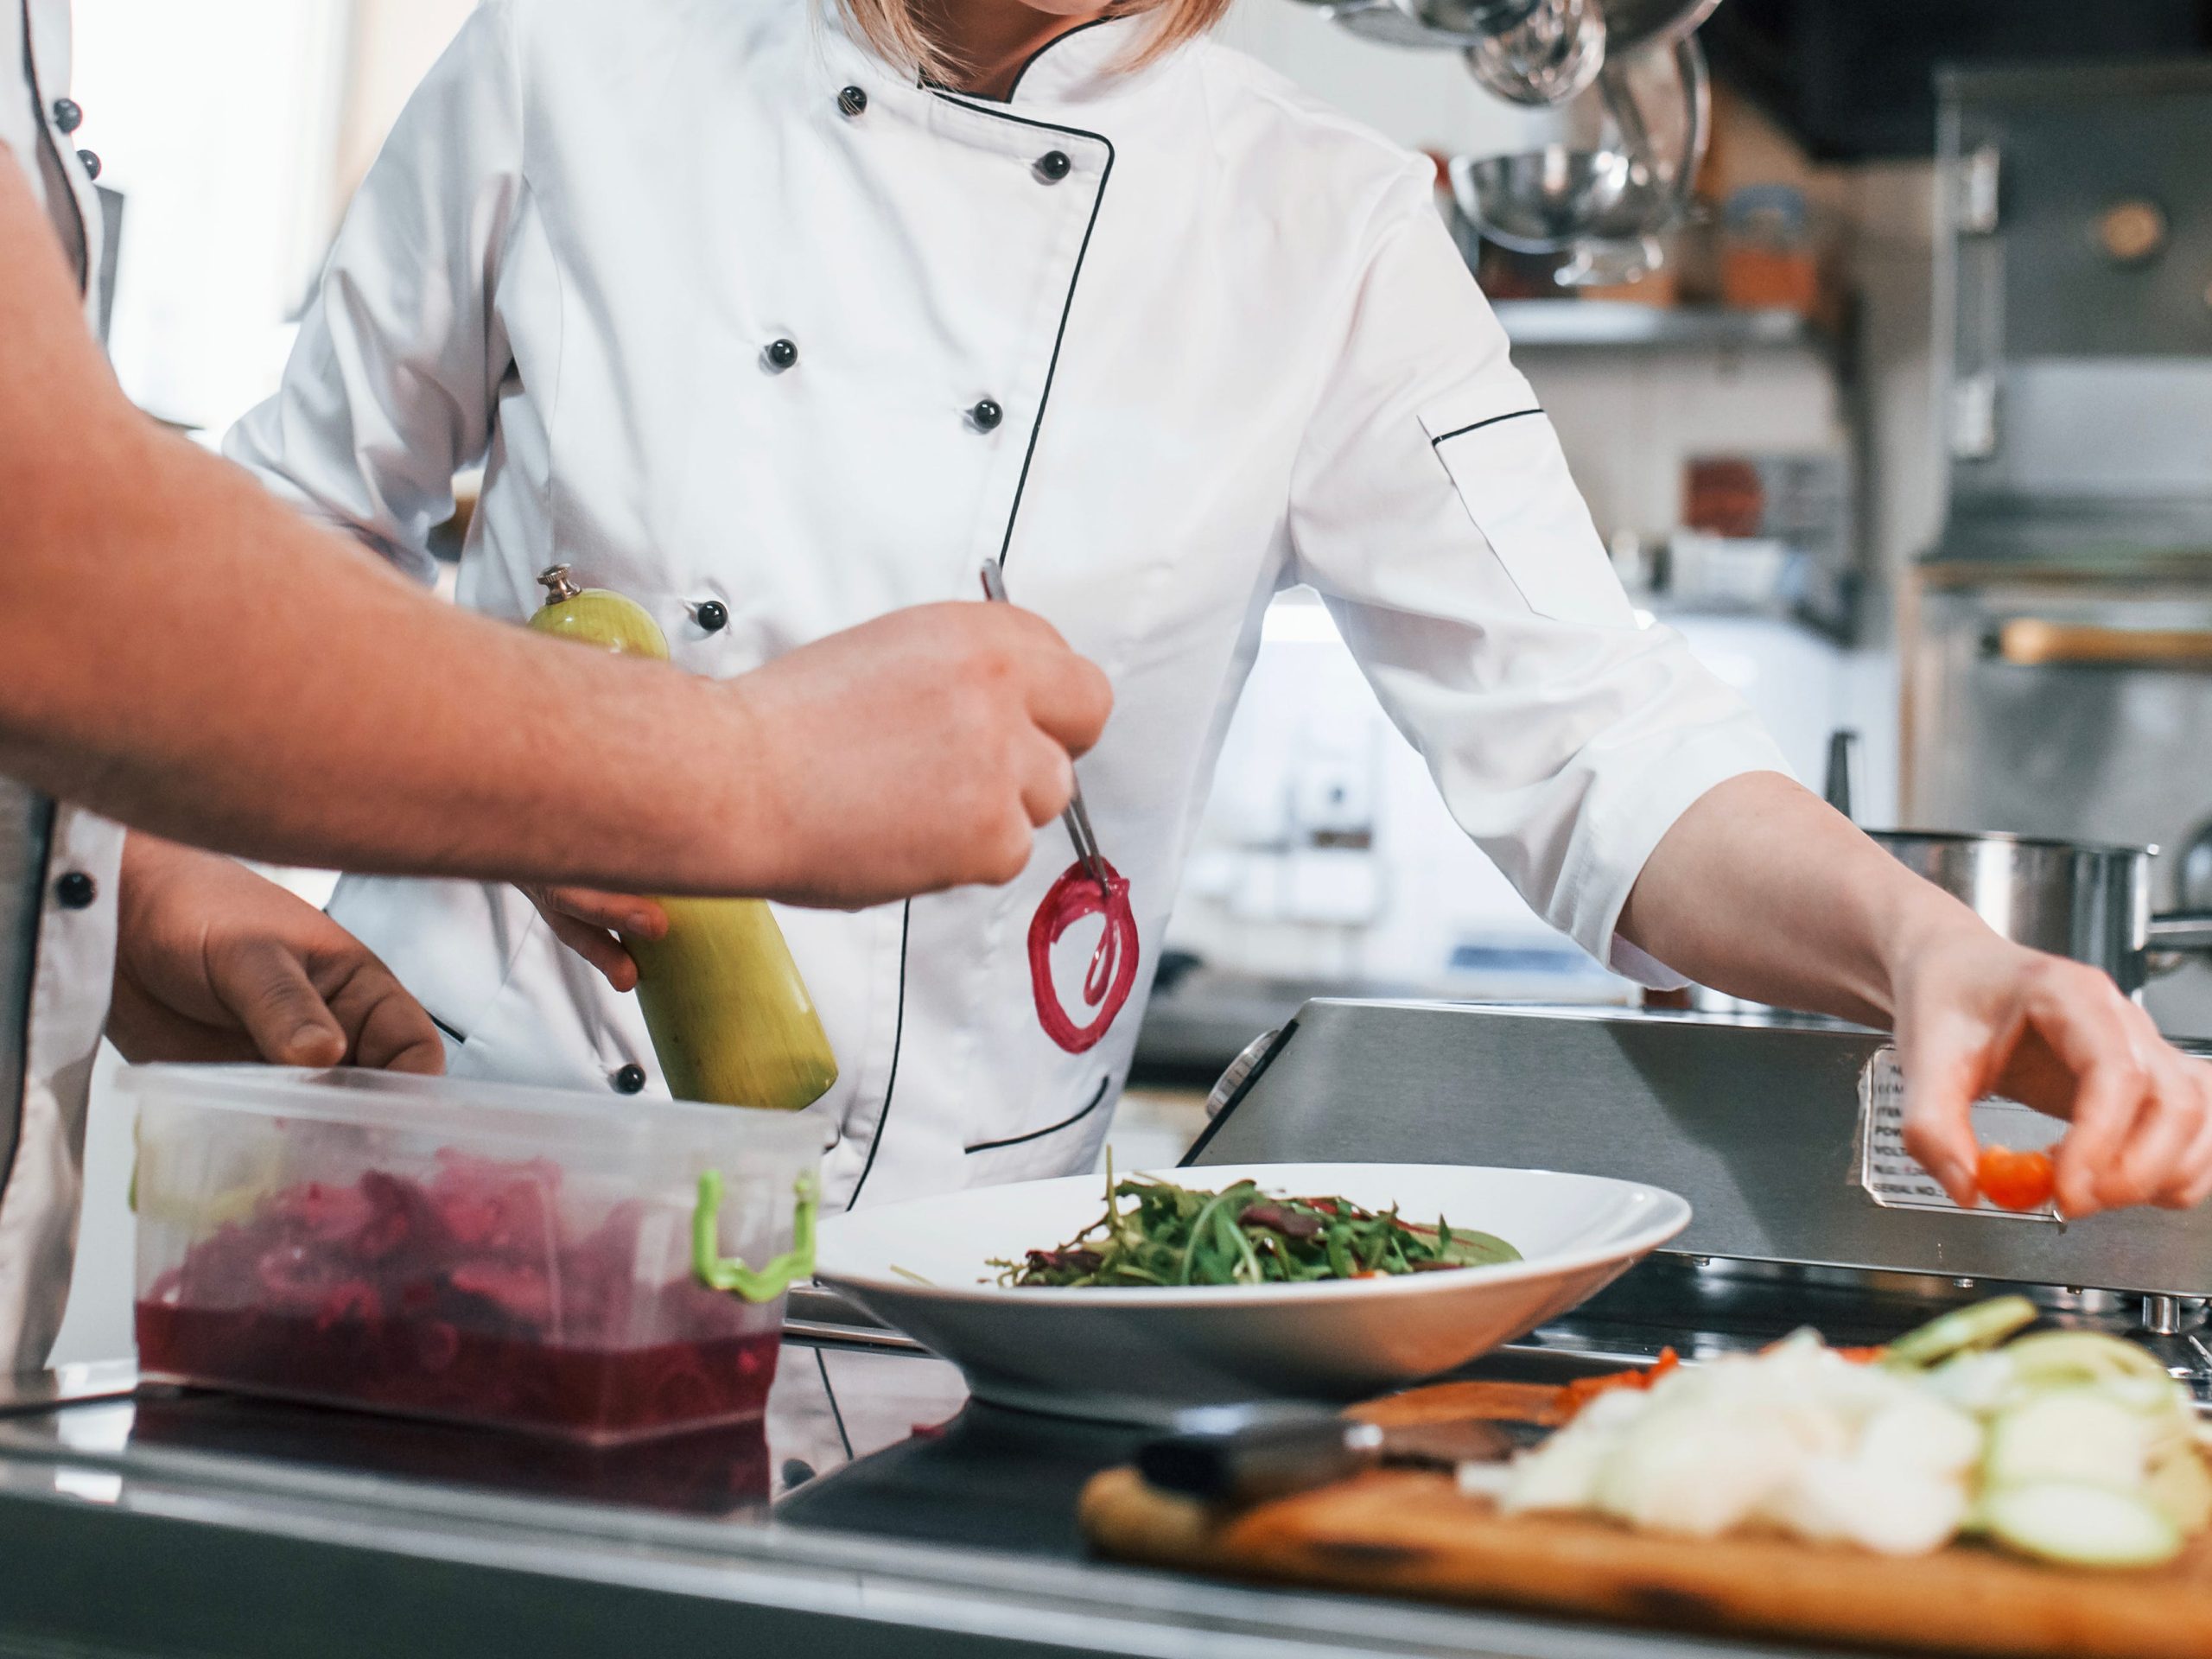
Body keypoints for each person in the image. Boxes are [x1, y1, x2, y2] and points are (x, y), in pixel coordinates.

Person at [228, 0, 2212, 1223]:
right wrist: (397, 808)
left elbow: (1590, 736)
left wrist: (1918, 945)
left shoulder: (1322, 219)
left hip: (940, 1292)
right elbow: (282, 538)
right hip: (464, 1184)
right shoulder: (569, 62)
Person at [0, 0, 1112, 1373]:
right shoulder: (573, 51)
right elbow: (49, 551)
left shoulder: (1308, 199)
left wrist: (135, 879)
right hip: (476, 1154)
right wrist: (721, 774)